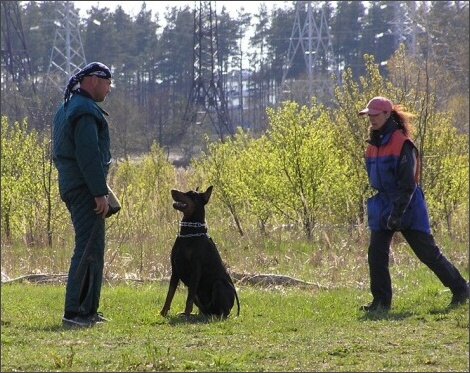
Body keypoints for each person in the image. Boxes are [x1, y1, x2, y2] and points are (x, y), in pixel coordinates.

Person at [358, 96, 469, 312]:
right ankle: (381, 302)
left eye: (375, 114)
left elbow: (408, 184)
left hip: (407, 203)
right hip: (382, 203)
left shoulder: (402, 143)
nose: (371, 118)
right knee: (376, 254)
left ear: (387, 114)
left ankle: (461, 289)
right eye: (368, 115)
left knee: (427, 253)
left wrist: (397, 213)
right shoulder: (372, 145)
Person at [52, 62, 115, 327]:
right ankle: (76, 313)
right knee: (89, 247)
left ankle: (88, 310)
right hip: (84, 188)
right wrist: (100, 193)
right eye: (107, 83)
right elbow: (87, 154)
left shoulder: (69, 106)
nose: (109, 90)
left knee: (92, 246)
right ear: (93, 81)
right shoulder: (85, 111)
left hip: (76, 185)